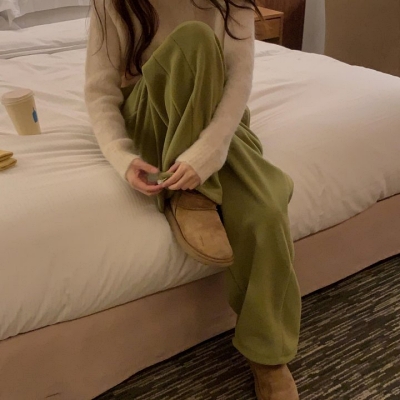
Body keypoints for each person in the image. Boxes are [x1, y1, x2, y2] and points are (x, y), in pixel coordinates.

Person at [85, 1, 302, 398]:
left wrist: (207, 154)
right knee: (195, 38)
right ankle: (191, 196)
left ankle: (268, 357)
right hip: (153, 113)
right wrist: (120, 154)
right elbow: (100, 91)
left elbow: (238, 78)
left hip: (216, 113)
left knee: (266, 210)